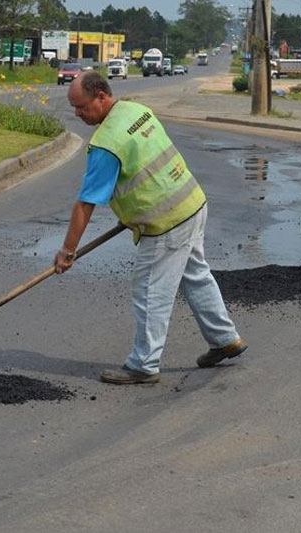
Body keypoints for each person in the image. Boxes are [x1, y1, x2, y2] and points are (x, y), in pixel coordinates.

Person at [54, 71, 247, 385]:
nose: (77, 114)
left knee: (149, 291)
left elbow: (86, 203)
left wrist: (67, 250)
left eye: (81, 107)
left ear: (101, 96)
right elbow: (145, 166)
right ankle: (225, 339)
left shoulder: (106, 144)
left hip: (166, 222)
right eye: (74, 108)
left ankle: (143, 364)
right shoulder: (136, 111)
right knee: (196, 276)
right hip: (191, 203)